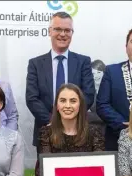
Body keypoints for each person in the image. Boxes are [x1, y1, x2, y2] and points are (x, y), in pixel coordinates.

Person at [30, 83, 104, 176]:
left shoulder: (94, 132)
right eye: (63, 101)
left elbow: (101, 170)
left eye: (73, 101)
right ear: (57, 106)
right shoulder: (46, 132)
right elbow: (42, 169)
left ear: (80, 105)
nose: (68, 106)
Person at [26, 11, 95, 151]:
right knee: (46, 173)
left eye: (67, 30)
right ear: (49, 31)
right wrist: (54, 121)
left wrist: (72, 121)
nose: (62, 34)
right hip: (46, 132)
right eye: (58, 29)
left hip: (78, 133)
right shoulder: (35, 64)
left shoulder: (83, 62)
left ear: (72, 33)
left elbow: (88, 95)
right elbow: (32, 98)